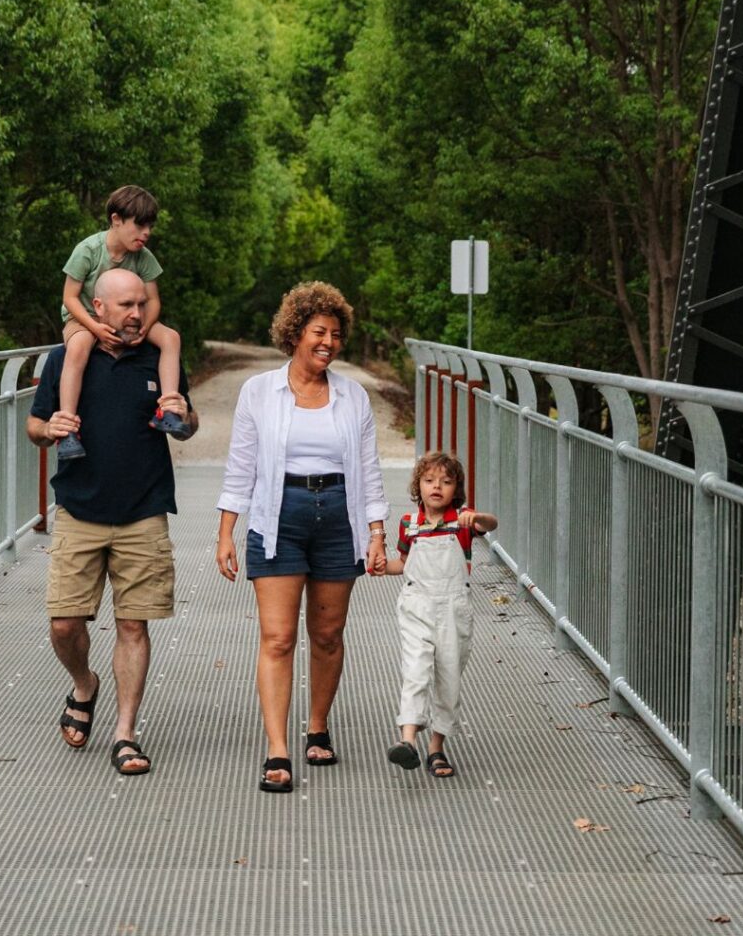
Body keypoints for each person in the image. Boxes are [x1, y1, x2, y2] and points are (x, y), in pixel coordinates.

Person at [215, 281, 389, 793]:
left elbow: (370, 471)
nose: (328, 342)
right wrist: (227, 532)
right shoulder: (259, 392)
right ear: (294, 333)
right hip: (279, 517)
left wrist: (376, 532)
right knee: (278, 637)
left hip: (339, 515)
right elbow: (240, 466)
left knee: (328, 635)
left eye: (336, 334)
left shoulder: (352, 396)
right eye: (318, 331)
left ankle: (318, 726)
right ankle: (277, 749)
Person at [27, 268, 198, 776]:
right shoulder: (66, 357)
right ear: (97, 308)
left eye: (141, 304)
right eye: (124, 305)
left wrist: (182, 413)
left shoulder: (159, 356)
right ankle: (84, 684)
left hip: (143, 511)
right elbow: (35, 426)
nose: (136, 314)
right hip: (79, 508)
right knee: (63, 624)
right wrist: (48, 427)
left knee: (132, 623)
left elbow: (187, 427)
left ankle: (125, 733)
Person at [377, 451, 497, 778]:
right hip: (417, 604)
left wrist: (477, 519)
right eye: (429, 481)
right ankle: (407, 740)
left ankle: (437, 745)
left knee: (449, 676)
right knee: (415, 668)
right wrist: (378, 566)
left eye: (446, 482)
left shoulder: (462, 520)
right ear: (418, 485)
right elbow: (402, 564)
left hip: (453, 607)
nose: (437, 487)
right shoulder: (409, 524)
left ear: (455, 488)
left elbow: (490, 523)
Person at [56, 184, 188, 460]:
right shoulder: (88, 250)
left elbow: (153, 301)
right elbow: (70, 297)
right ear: (116, 220)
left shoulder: (143, 258)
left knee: (171, 338)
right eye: (140, 225)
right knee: (79, 347)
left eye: (150, 226)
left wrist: (144, 329)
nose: (146, 233)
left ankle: (168, 408)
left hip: (132, 319)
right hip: (85, 317)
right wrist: (94, 328)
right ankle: (69, 428)